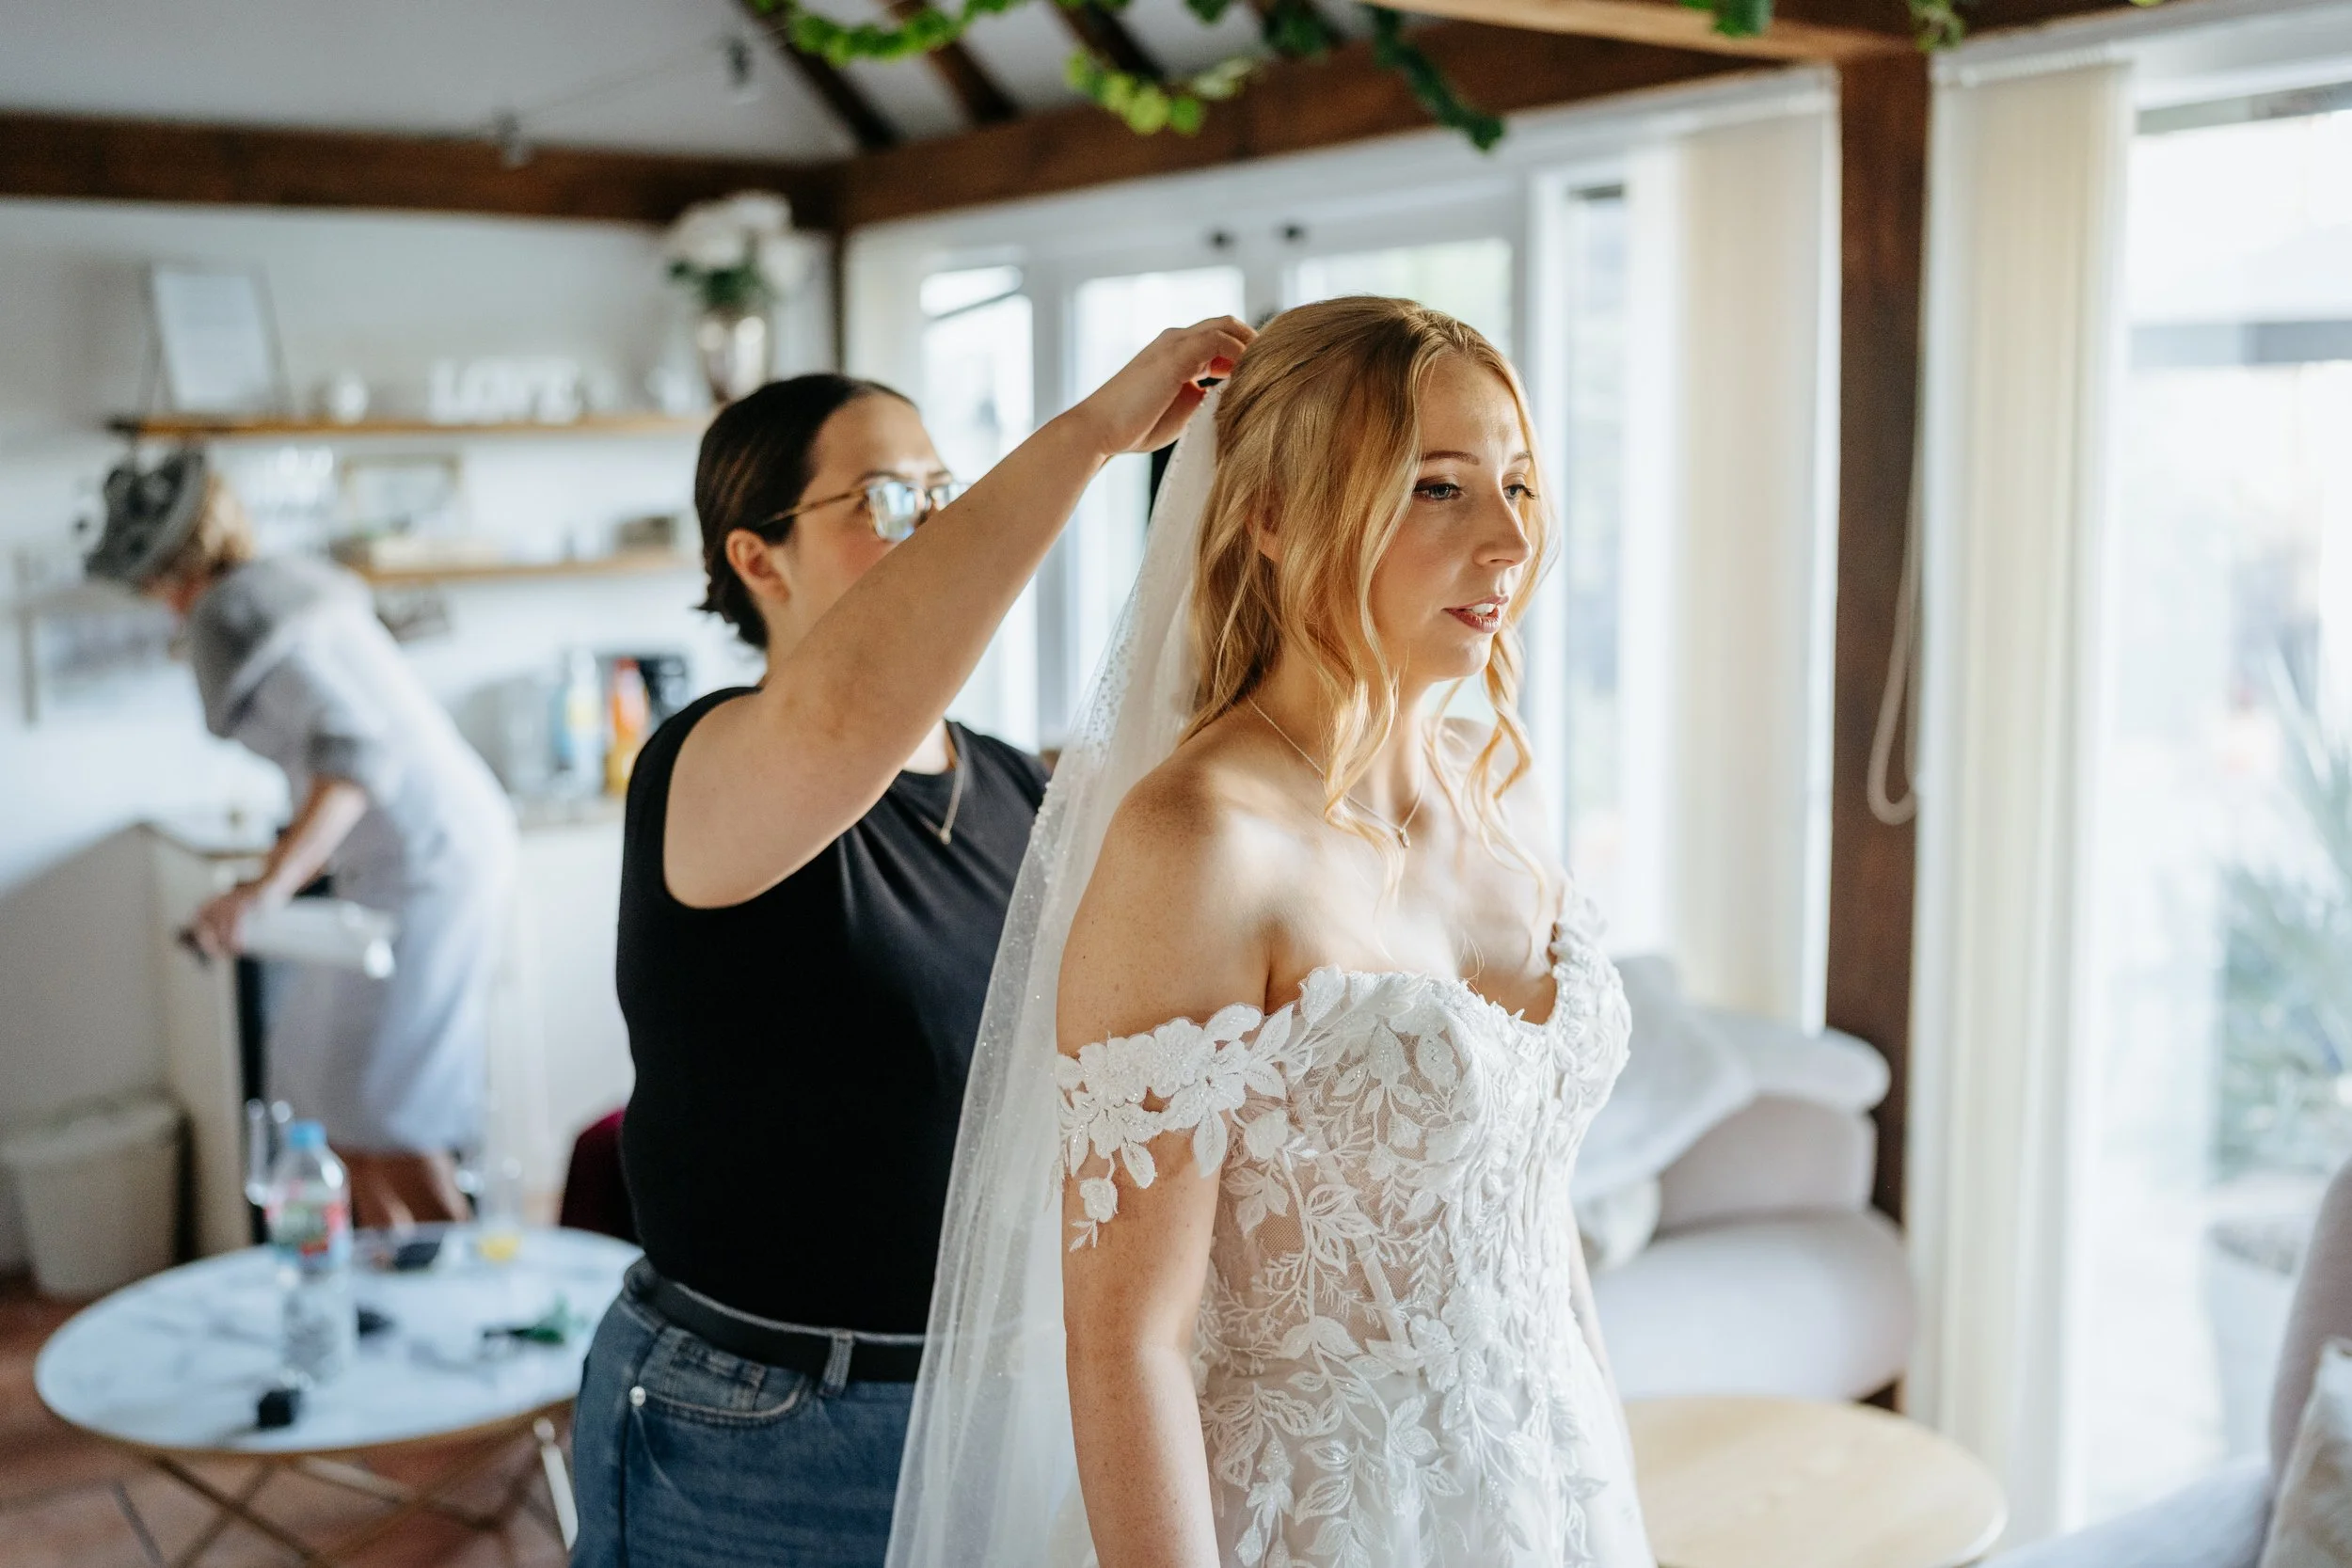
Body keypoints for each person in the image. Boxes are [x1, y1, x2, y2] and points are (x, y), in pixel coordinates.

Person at [887, 297, 1653, 1568]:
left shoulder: (1500, 786)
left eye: (1518, 482)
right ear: (1277, 517)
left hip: (1549, 1487)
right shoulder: (1195, 839)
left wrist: (1601, 1482)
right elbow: (1126, 1339)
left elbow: (1527, 1210)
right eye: (1437, 488)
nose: (1511, 536)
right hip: (1316, 1521)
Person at [570, 322, 1250, 1568]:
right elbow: (845, 710)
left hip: (991, 1405)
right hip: (755, 1428)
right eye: (891, 498)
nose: (939, 519)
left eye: (946, 488)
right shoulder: (706, 764)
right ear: (757, 557)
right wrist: (1097, 430)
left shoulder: (1013, 789)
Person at [86, 453, 516, 1228]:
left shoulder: (233, 614)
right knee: (336, 1096)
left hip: (426, 865)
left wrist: (266, 889)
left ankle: (463, 1294)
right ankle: (400, 1284)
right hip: (433, 851)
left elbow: (357, 751)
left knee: (384, 1108)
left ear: (156, 570)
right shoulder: (285, 587)